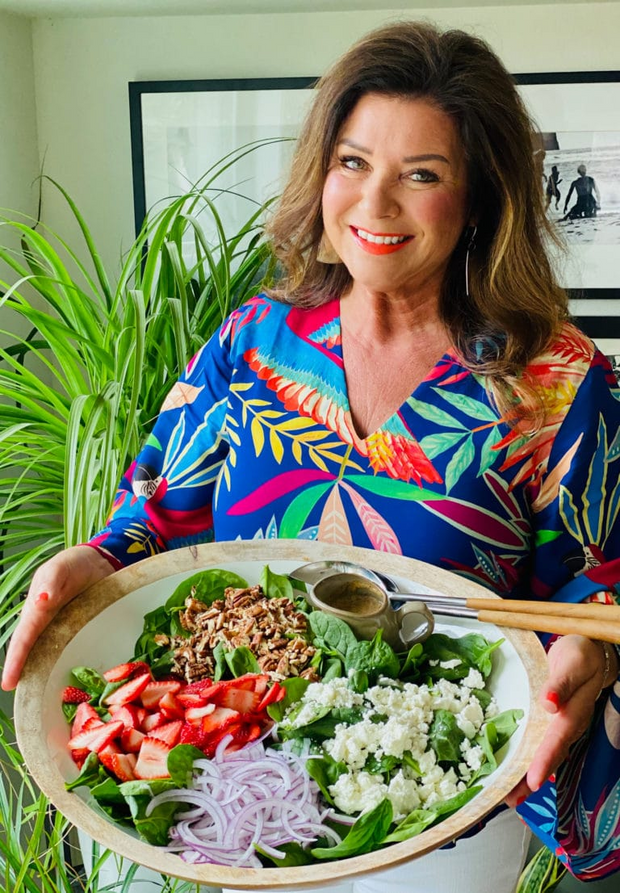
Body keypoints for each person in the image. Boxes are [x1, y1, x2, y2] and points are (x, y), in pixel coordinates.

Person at [3, 20, 620, 893]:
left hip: (431, 812)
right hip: (225, 792)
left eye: (423, 174)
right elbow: (158, 512)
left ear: (480, 194)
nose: (375, 205)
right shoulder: (253, 342)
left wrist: (587, 653)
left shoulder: (555, 381)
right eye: (353, 162)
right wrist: (93, 557)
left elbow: (596, 579)